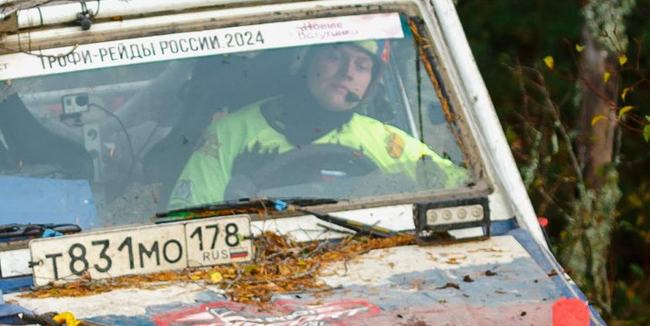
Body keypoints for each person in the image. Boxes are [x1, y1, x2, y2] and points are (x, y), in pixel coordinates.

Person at [169, 39, 467, 209]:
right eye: (335, 56)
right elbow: (188, 220)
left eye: (362, 66)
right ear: (306, 60)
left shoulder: (385, 142)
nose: (348, 72)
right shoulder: (230, 134)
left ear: (371, 85)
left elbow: (462, 188)